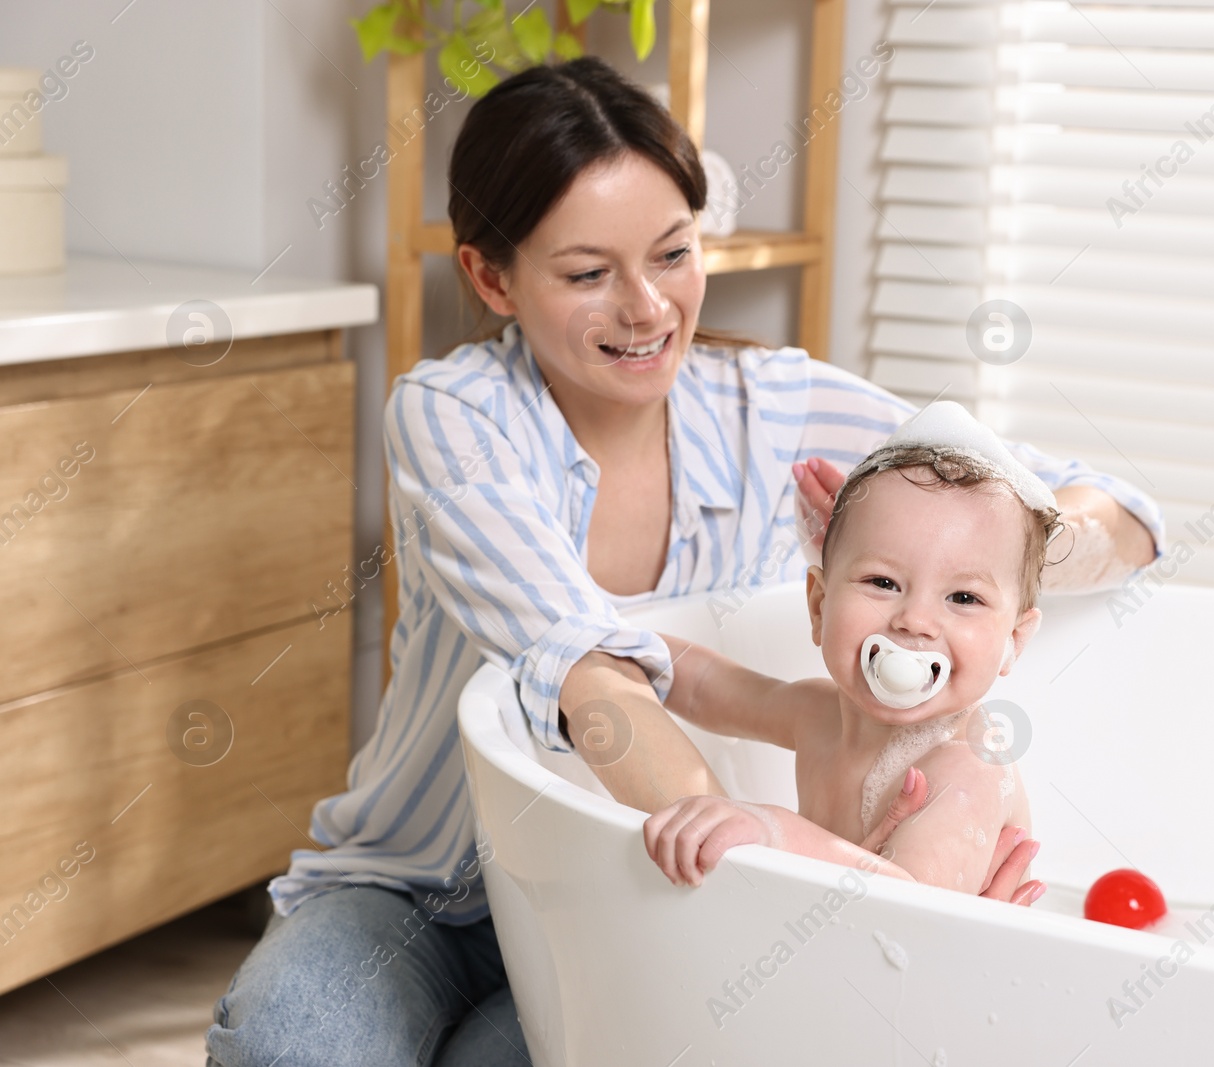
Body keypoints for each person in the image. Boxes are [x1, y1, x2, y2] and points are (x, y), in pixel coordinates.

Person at [206, 55, 1164, 1067]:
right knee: (292, 1046)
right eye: (588, 274)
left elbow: (1126, 516)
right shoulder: (454, 416)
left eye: (672, 254)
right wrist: (734, 835)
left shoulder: (771, 407)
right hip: (420, 892)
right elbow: (595, 676)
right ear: (491, 276)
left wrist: (944, 557)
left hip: (629, 898)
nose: (647, 309)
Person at [645, 406, 1061, 898]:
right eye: (883, 582)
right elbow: (707, 690)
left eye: (964, 598)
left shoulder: (968, 768)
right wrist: (625, 646)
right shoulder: (817, 715)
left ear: (1013, 641)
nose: (916, 620)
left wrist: (774, 830)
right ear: (819, 605)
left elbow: (913, 905)